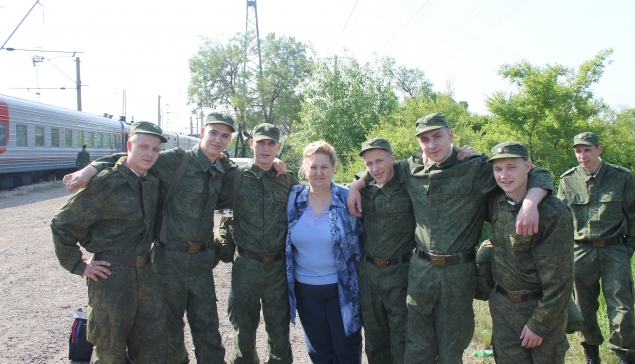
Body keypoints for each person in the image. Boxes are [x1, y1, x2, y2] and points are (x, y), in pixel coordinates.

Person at [347, 113, 553, 364]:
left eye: (437, 137)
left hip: (458, 274)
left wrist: (531, 202)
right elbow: (380, 167)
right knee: (416, 350)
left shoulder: (475, 167)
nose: (432, 145)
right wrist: (356, 186)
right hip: (420, 271)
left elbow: (533, 171)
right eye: (425, 140)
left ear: (451, 135)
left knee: (450, 351)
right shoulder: (411, 167)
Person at [63, 113, 237, 363]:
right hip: (167, 260)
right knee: (169, 333)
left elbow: (251, 174)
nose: (218, 140)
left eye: (225, 136)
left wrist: (277, 165)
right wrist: (92, 168)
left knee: (208, 330)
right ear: (202, 132)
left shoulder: (224, 169)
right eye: (213, 132)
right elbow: (132, 159)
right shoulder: (175, 161)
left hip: (201, 262)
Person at [51, 121, 168, 363]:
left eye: (155, 149)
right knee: (110, 353)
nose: (149, 154)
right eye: (143, 146)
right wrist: (80, 266)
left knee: (152, 352)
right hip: (110, 280)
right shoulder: (106, 182)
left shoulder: (153, 180)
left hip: (147, 277)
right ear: (129, 145)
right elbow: (62, 224)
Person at [487, 141, 573, 363]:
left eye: (512, 167)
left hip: (538, 311)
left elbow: (560, 278)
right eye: (498, 169)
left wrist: (539, 324)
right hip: (503, 310)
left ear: (528, 167)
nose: (504, 175)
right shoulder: (496, 201)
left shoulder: (553, 212)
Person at [557, 132, 635, 364]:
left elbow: (632, 213)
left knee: (622, 306)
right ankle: (591, 354)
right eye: (578, 151)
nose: (582, 155)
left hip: (615, 250)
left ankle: (626, 356)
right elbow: (561, 220)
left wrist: (627, 248)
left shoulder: (621, 177)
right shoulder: (567, 180)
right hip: (580, 251)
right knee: (583, 307)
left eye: (587, 150)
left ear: (598, 150)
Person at [286, 141, 363, 364]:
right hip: (306, 291)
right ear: (305, 169)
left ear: (333, 168)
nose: (319, 172)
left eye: (324, 167)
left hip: (343, 290)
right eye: (313, 167)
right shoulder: (294, 198)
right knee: (319, 352)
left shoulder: (347, 197)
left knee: (347, 351)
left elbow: (382, 172)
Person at [227, 123, 297, 364]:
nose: (266, 148)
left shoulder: (288, 180)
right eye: (261, 143)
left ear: (278, 146)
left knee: (279, 332)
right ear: (251, 144)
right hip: (246, 266)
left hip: (278, 268)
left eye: (271, 143)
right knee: (243, 331)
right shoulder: (235, 177)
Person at [356, 138, 414, 364]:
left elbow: (423, 159)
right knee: (374, 338)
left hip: (400, 272)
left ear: (392, 158)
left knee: (402, 338)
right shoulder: (364, 190)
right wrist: (357, 184)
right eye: (369, 164)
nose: (375, 168)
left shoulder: (408, 185)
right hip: (369, 274)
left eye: (380, 160)